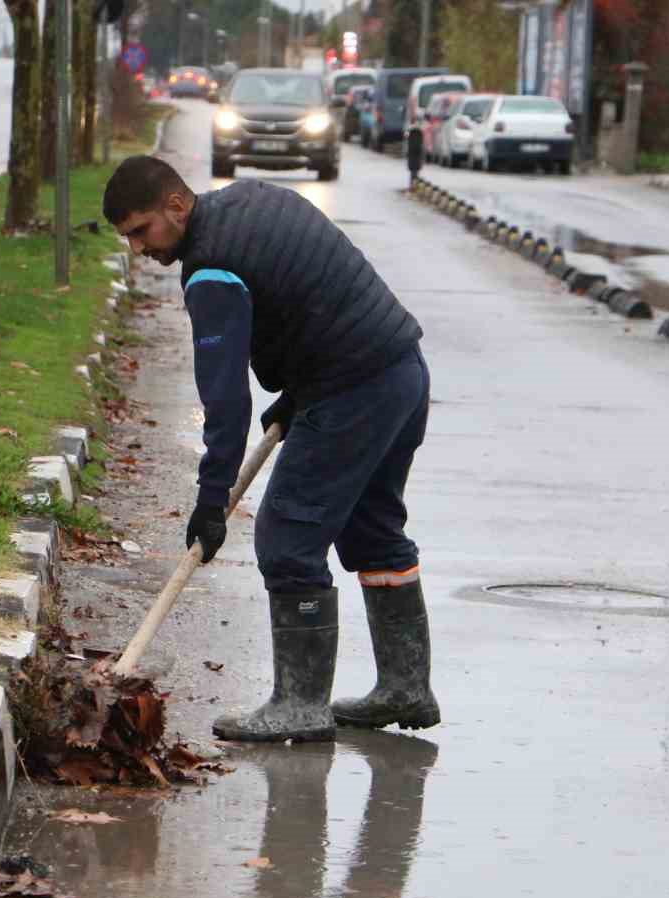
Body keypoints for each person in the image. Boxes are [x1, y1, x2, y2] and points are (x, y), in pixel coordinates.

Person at [101, 155, 439, 744]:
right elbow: (312, 295)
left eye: (141, 230)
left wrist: (212, 501)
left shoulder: (210, 270)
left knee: (287, 536)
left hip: (355, 389)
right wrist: (299, 389)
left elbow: (225, 402)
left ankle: (300, 705)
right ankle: (405, 686)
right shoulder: (248, 199)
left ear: (176, 207)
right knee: (373, 530)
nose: (138, 249)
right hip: (400, 371)